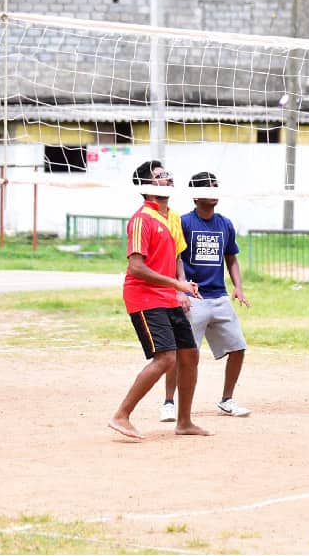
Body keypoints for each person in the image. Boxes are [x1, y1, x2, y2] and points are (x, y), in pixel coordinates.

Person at [109, 160, 210, 439]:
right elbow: (137, 267)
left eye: (167, 174)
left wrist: (180, 289)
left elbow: (177, 255)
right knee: (165, 358)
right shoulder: (142, 219)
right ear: (147, 185)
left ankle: (184, 422)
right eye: (160, 176)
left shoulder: (172, 217)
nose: (168, 178)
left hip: (168, 296)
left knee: (189, 355)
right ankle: (121, 415)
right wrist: (177, 284)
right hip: (144, 297)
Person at [159, 172, 251, 419]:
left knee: (238, 347)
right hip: (193, 298)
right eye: (210, 187)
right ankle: (169, 402)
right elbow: (175, 257)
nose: (215, 191)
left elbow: (231, 259)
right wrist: (180, 288)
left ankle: (227, 399)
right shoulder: (184, 222)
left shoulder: (225, 224)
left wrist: (238, 287)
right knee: (185, 353)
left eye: (216, 186)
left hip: (219, 296)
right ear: (197, 195)